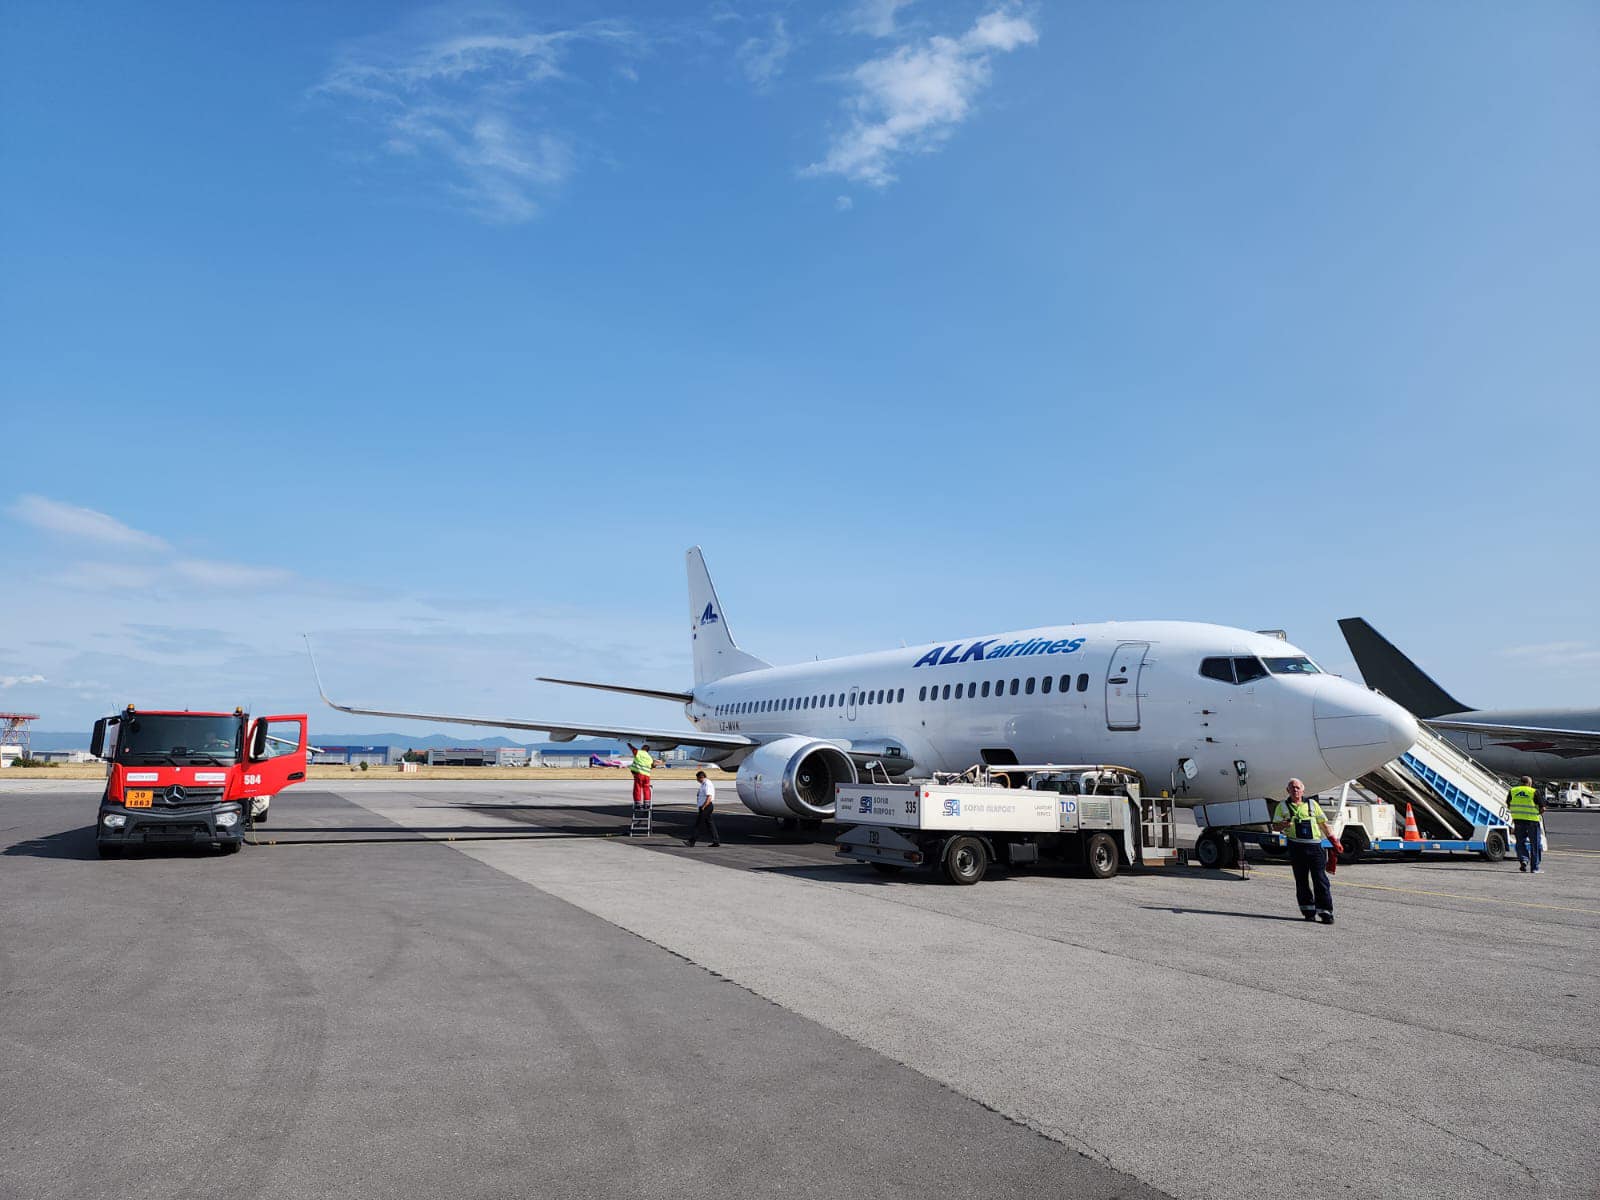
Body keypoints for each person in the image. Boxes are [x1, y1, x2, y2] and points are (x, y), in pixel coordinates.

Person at [1273, 778, 1335, 924]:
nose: (1295, 790)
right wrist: (1282, 824)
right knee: (1301, 881)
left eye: (1298, 787)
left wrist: (1333, 840)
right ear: (1287, 790)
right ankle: (1308, 910)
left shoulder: (1312, 804)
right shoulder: (1282, 806)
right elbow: (1274, 827)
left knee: (1320, 880)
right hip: (1296, 846)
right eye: (1292, 788)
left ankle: (1325, 911)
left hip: (1315, 847)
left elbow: (1323, 824)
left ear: (1303, 790)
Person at [1507, 775, 1545, 873]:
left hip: (1518, 820)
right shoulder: (1533, 791)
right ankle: (1535, 868)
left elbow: (1508, 804)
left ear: (1521, 782)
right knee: (1535, 844)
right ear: (1529, 783)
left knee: (1520, 842)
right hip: (1532, 820)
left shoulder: (1513, 791)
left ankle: (1523, 860)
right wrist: (1538, 813)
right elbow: (1542, 808)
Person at [684, 770, 721, 848]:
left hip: (706, 806)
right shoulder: (703, 784)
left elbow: (709, 797)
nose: (697, 781)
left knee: (699, 824)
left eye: (697, 779)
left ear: (701, 777)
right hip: (705, 806)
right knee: (710, 824)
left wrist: (703, 807)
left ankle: (691, 841)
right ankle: (716, 841)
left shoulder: (707, 784)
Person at [627, 742, 653, 813]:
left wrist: (628, 743)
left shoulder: (639, 752)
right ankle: (647, 804)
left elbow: (633, 749)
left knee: (637, 788)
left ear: (643, 748)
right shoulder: (649, 757)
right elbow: (652, 765)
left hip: (639, 774)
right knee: (646, 789)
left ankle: (638, 804)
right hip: (647, 776)